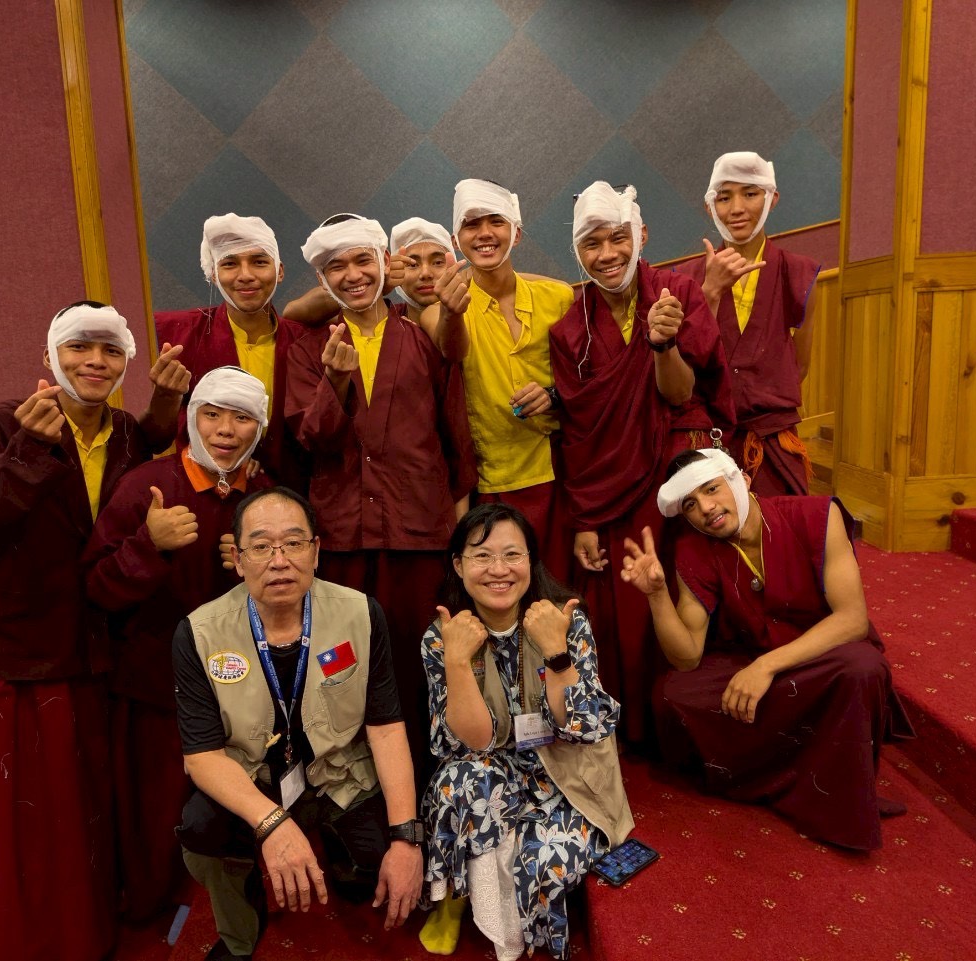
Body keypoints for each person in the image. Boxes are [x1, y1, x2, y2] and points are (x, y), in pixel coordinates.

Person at [0, 301, 189, 961]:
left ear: (125, 362)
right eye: (80, 347)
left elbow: (125, 482)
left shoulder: (125, 432)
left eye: (110, 350)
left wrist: (165, 407)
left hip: (91, 646)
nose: (95, 361)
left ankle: (85, 929)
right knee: (19, 814)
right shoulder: (1, 422)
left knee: (82, 806)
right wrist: (24, 451)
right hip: (13, 653)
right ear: (50, 356)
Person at [620, 448, 914, 851]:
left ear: (740, 479)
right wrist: (656, 596)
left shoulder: (816, 516)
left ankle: (825, 790)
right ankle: (785, 777)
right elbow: (686, 657)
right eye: (690, 504)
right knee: (673, 694)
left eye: (711, 489)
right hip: (750, 656)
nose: (706, 508)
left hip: (821, 658)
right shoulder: (693, 548)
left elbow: (851, 621)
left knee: (863, 666)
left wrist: (766, 667)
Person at [173, 488, 423, 960]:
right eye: (261, 546)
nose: (279, 560)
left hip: (339, 773)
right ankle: (241, 930)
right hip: (252, 779)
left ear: (316, 551)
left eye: (293, 543)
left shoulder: (360, 614)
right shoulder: (200, 631)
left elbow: (386, 727)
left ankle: (345, 862)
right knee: (201, 831)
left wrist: (407, 839)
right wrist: (272, 824)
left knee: (381, 853)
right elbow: (202, 756)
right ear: (238, 558)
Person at [286, 213, 475, 788]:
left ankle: (430, 786)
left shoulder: (421, 336)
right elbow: (312, 441)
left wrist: (458, 526)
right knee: (342, 666)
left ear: (383, 264)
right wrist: (335, 382)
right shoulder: (308, 348)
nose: (353, 275)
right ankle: (356, 790)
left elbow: (454, 432)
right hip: (343, 536)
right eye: (336, 266)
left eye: (362, 260)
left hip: (418, 530)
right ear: (322, 278)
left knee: (421, 665)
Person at [83, 366, 272, 922]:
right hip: (155, 685)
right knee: (155, 808)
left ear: (259, 429)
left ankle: (236, 907)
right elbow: (95, 586)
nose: (225, 430)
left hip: (244, 688)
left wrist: (259, 567)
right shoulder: (147, 485)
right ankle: (155, 906)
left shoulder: (265, 494)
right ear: (190, 418)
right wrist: (150, 545)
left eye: (242, 418)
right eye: (211, 414)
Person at [549, 181, 733, 744]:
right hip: (607, 484)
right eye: (591, 244)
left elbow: (680, 393)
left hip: (676, 470)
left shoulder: (679, 293)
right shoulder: (571, 329)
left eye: (618, 238)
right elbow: (578, 430)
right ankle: (632, 730)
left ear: (641, 234)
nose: (607, 254)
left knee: (685, 587)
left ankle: (693, 729)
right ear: (576, 251)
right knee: (627, 600)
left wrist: (663, 344)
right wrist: (584, 518)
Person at [420, 503, 633, 960]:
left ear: (531, 561)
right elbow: (471, 742)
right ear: (458, 565)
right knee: (460, 784)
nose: (499, 570)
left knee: (542, 856)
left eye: (512, 555)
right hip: (494, 763)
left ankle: (520, 930)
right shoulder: (442, 635)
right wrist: (457, 661)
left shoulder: (565, 620)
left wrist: (557, 652)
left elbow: (585, 726)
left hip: (568, 771)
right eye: (482, 556)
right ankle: (453, 900)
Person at [430, 179, 576, 578]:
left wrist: (553, 394)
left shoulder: (558, 297)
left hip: (560, 469)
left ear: (517, 232)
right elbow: (451, 351)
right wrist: (452, 312)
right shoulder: (439, 310)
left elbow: (585, 379)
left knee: (564, 586)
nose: (484, 233)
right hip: (494, 476)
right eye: (471, 224)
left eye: (496, 221)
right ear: (456, 241)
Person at [678, 151, 820, 495]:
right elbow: (681, 367)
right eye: (724, 197)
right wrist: (710, 292)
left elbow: (799, 365)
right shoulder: (686, 279)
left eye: (750, 193)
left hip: (771, 438)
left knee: (780, 522)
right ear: (710, 207)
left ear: (772, 198)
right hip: (706, 438)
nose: (737, 208)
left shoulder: (798, 273)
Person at [154, 213, 310, 492]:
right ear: (214, 274)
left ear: (280, 271)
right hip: (205, 492)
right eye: (230, 264)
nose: (246, 275)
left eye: (259, 262)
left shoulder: (306, 341)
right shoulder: (174, 333)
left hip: (291, 494)